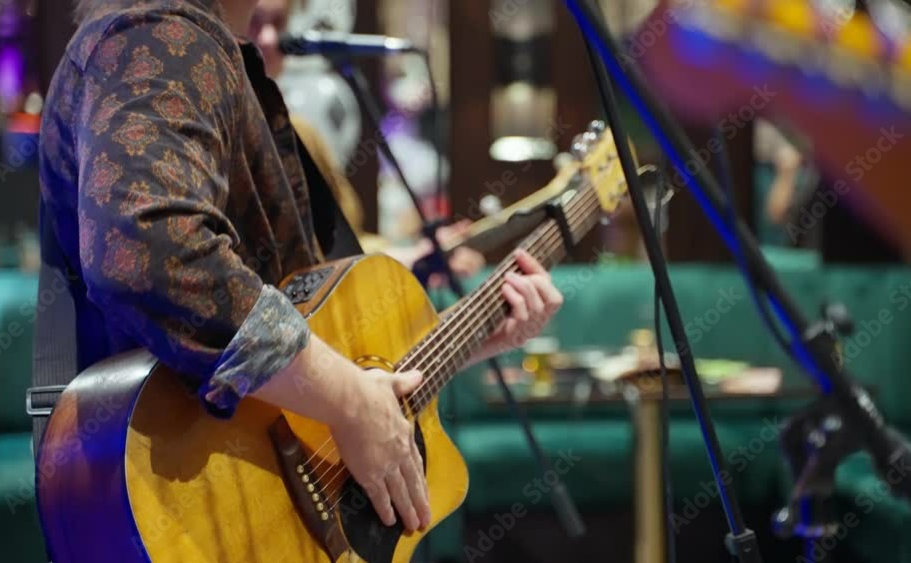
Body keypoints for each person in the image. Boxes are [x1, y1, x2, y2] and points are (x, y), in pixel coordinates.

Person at [40, 0, 563, 535]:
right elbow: (151, 253)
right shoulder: (156, 35)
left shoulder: (193, 46)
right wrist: (351, 401)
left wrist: (459, 337)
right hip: (194, 514)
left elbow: (309, 339)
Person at [251, 0, 485, 279]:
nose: (269, 39)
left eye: (277, 23)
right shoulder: (223, 138)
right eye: (253, 22)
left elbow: (347, 244)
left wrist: (419, 253)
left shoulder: (301, 132)